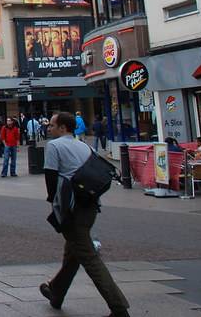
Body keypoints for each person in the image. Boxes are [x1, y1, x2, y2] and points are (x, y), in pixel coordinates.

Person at [39, 111, 130, 316]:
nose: (49, 128)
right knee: (73, 253)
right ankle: (56, 292)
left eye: (52, 126)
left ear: (63, 128)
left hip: (72, 209)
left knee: (88, 257)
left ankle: (118, 307)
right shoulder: (84, 146)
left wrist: (55, 206)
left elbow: (51, 178)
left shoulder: (54, 146)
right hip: (90, 206)